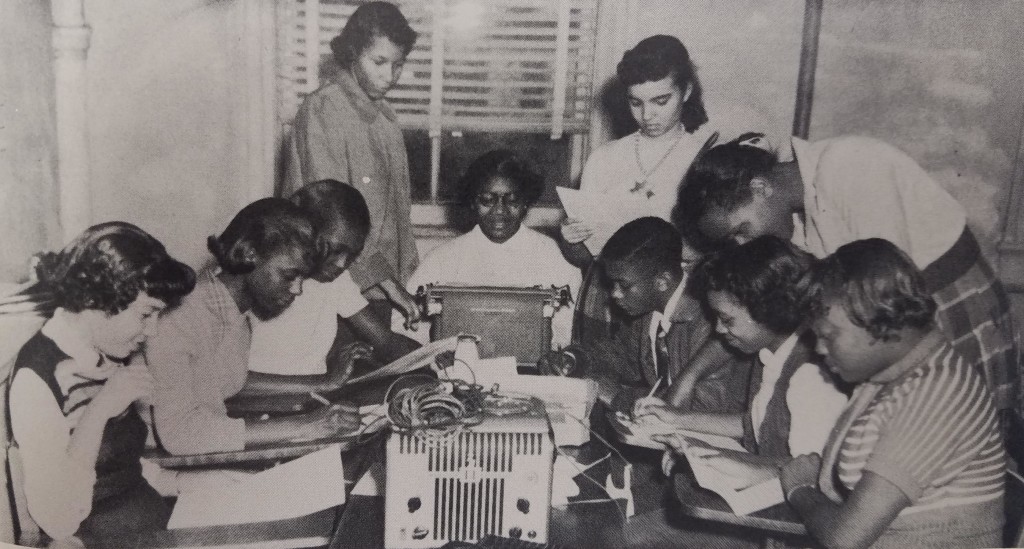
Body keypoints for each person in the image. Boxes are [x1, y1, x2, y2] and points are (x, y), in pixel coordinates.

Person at [678, 133, 1021, 440]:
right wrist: (690, 376)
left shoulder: (847, 165)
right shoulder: (791, 223)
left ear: (760, 187)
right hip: (889, 319)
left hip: (949, 303)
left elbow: (885, 292)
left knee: (966, 437)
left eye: (741, 230)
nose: (743, 244)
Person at [779, 238, 1005, 548]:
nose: (818, 349)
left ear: (878, 321)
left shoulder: (933, 395)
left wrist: (801, 490)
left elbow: (845, 538)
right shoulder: (896, 376)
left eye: (828, 335)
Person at [9, 222, 196, 544]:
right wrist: (102, 409)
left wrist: (184, 483)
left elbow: (117, 472)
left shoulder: (101, 357)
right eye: (146, 314)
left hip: (149, 529)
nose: (152, 331)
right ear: (100, 302)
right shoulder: (36, 376)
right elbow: (61, 519)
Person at [148, 198, 362, 456]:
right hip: (157, 468)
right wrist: (308, 425)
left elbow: (225, 380)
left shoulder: (235, 313)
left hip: (200, 458)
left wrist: (325, 384)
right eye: (288, 275)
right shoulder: (182, 315)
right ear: (250, 254)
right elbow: (181, 434)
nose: (298, 289)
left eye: (302, 277)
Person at [648, 236, 846, 491]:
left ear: (768, 311)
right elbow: (756, 424)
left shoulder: (810, 374)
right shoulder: (770, 356)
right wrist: (677, 418)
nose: (718, 329)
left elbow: (814, 473)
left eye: (727, 320)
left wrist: (712, 455)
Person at [287, 1, 420, 329]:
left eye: (398, 64)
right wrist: (391, 287)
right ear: (351, 53)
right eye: (379, 62)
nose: (389, 76)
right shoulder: (323, 110)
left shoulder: (385, 118)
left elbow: (397, 218)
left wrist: (403, 281)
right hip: (332, 282)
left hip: (378, 286)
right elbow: (333, 220)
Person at [560, 34, 716, 268]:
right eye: (636, 103)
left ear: (686, 92)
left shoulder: (705, 158)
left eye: (660, 101)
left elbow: (717, 252)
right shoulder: (604, 158)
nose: (646, 115)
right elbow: (585, 260)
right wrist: (571, 241)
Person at [568, 217, 750, 416]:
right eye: (612, 285)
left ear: (662, 281)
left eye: (624, 286)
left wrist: (621, 399)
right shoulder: (646, 312)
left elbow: (705, 408)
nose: (614, 294)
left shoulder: (709, 321)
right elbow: (621, 357)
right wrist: (575, 360)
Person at [402, 150, 581, 350]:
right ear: (472, 202)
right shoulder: (442, 259)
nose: (499, 210)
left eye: (512, 200)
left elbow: (571, 326)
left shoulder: (552, 255)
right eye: (487, 200)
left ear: (525, 203)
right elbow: (405, 324)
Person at [248, 181, 420, 377]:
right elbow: (233, 382)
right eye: (335, 250)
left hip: (315, 398)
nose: (341, 264)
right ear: (305, 232)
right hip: (272, 401)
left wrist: (433, 355)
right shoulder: (264, 278)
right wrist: (324, 384)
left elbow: (385, 341)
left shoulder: (335, 282)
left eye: (352, 255)